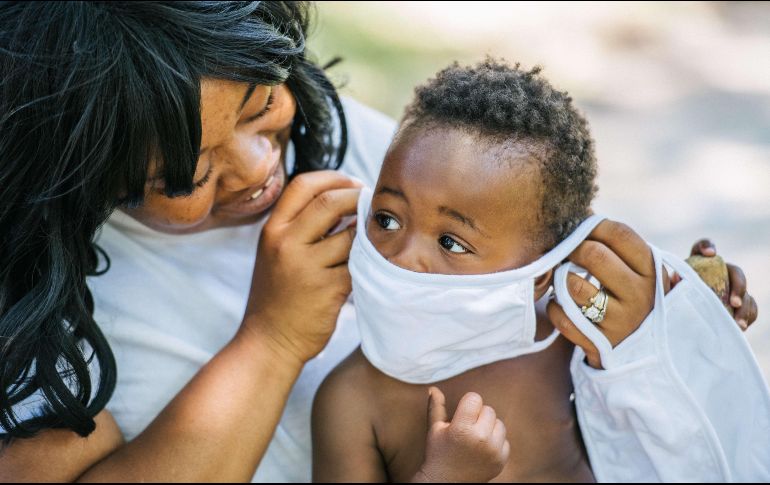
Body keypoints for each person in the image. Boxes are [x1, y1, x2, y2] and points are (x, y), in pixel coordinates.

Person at [0, 2, 757, 482]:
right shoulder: (72, 310)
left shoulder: (356, 146)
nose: (263, 169)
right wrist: (272, 338)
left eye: (265, 106)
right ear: (85, 176)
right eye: (188, 174)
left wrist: (670, 332)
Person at [311, 59, 770, 482]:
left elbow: (672, 425)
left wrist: (695, 329)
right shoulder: (350, 402)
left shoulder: (570, 336)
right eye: (387, 219)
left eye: (451, 241)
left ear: (540, 273)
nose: (402, 255)